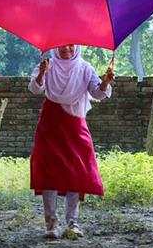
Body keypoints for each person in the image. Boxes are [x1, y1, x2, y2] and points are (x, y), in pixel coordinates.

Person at [29, 45, 114, 238]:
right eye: (62, 44)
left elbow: (97, 93)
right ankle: (51, 224)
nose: (66, 48)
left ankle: (72, 222)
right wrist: (42, 73)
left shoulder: (85, 68)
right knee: (48, 172)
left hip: (75, 125)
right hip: (50, 125)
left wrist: (105, 82)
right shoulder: (47, 65)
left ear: (77, 47)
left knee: (77, 172)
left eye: (71, 44)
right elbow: (35, 88)